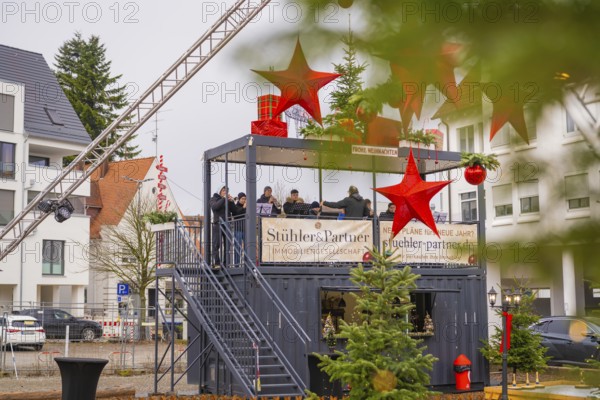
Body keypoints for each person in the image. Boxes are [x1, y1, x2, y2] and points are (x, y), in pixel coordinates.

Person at [209, 186, 236, 268]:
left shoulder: (227, 200)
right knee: (216, 244)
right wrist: (224, 199)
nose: (225, 192)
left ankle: (225, 264)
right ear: (220, 191)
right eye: (224, 190)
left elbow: (234, 211)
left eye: (227, 190)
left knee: (228, 245)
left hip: (227, 224)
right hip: (218, 224)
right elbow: (215, 207)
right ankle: (217, 263)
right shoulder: (213, 198)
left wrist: (231, 202)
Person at [231, 192, 246, 266]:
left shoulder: (247, 207)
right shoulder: (236, 206)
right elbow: (235, 214)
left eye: (245, 199)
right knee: (237, 247)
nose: (244, 200)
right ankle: (236, 265)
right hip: (238, 229)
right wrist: (243, 208)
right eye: (242, 199)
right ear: (239, 199)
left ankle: (247, 264)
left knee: (248, 248)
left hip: (246, 229)